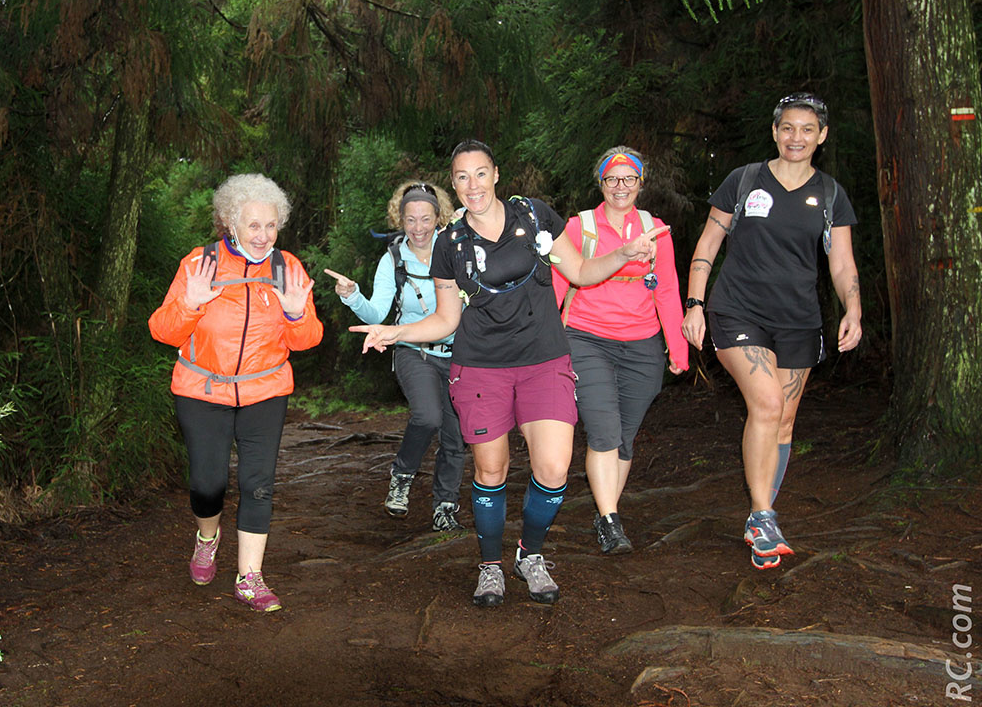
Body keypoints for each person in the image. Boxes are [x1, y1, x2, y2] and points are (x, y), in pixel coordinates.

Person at [352, 140, 666, 607]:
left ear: (496, 174)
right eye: (462, 177)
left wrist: (624, 254)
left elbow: (581, 271)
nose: (472, 185)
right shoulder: (449, 243)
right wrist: (396, 332)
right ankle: (490, 565)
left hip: (545, 360)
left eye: (480, 173)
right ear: (453, 184)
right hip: (481, 366)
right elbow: (446, 319)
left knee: (553, 469)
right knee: (491, 468)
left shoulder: (534, 216)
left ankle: (530, 554)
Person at [681, 93, 862, 571]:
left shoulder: (830, 195)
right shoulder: (744, 181)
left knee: (782, 421)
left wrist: (854, 309)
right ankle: (763, 517)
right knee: (766, 404)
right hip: (737, 311)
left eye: (807, 129)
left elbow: (842, 263)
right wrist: (695, 303)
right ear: (775, 132)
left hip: (799, 320)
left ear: (822, 136)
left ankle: (761, 520)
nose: (796, 137)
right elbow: (708, 242)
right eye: (787, 128)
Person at [149, 173, 323, 612]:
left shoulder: (287, 268)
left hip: (265, 390)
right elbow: (162, 330)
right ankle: (207, 537)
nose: (263, 235)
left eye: (271, 225)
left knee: (257, 484)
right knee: (208, 484)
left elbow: (308, 340)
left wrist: (296, 314)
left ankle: (250, 577)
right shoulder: (200, 263)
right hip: (202, 390)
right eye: (253, 225)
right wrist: (191, 302)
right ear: (231, 222)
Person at [552, 146, 688, 554]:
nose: (620, 187)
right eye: (612, 179)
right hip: (586, 337)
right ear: (601, 183)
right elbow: (557, 285)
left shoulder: (656, 230)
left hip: (642, 344)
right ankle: (611, 522)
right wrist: (543, 342)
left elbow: (666, 289)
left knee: (624, 438)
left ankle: (605, 510)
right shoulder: (579, 227)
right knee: (604, 431)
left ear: (641, 183)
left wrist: (677, 346)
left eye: (629, 178)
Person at [324, 181, 467, 531]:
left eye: (426, 219)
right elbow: (377, 313)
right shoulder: (393, 259)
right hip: (413, 351)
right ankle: (402, 475)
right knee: (428, 416)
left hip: (460, 353)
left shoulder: (455, 248)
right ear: (399, 220)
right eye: (410, 220)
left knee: (456, 433)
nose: (418, 228)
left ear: (438, 217)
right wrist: (352, 295)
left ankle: (445, 505)